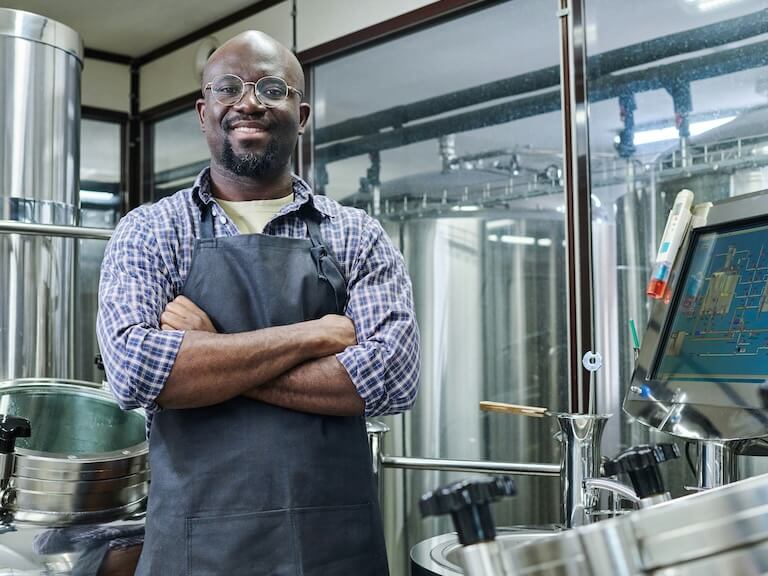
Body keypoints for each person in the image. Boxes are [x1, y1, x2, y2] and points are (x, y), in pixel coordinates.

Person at [96, 30, 420, 575]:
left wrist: (209, 348)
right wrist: (312, 336)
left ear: (302, 112)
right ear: (204, 112)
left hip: (333, 544)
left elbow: (391, 379)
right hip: (196, 547)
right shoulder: (151, 230)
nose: (249, 101)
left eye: (272, 87)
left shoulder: (356, 234)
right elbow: (136, 373)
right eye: (229, 87)